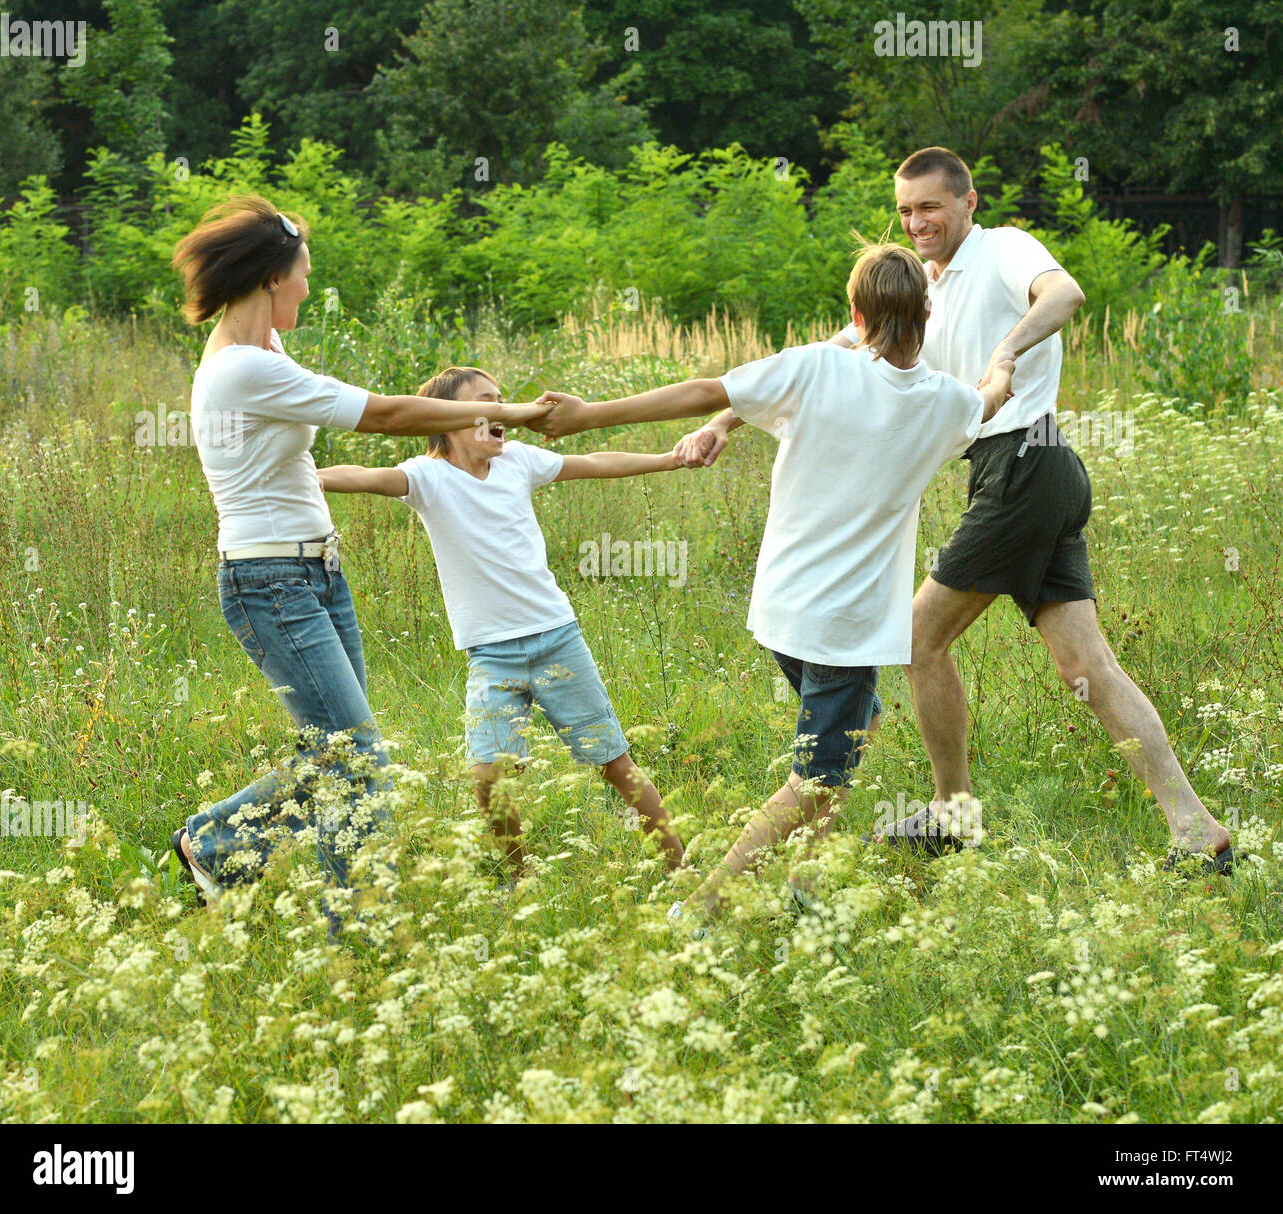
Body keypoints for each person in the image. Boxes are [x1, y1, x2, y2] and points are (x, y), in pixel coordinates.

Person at [680, 147, 1236, 876]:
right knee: (1086, 664)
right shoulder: (916, 288)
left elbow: (1064, 295)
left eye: (931, 207)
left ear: (968, 203)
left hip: (1025, 468)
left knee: (916, 637)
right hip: (1033, 476)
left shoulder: (1003, 250)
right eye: (906, 210)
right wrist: (726, 418)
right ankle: (1194, 827)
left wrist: (1003, 356)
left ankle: (953, 813)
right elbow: (831, 352)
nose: (917, 222)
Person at [528, 240, 1015, 923]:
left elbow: (704, 393)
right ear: (928, 313)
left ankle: (807, 891)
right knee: (816, 778)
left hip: (783, 611)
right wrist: (1000, 367)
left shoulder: (814, 368)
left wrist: (586, 415)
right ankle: (704, 906)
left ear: (854, 313)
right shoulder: (945, 402)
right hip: (842, 630)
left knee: (858, 728)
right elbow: (989, 401)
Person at [168, 196, 553, 907]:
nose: (310, 289)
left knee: (337, 755)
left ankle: (214, 844)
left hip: (314, 573)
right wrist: (500, 411)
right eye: (303, 275)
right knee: (358, 761)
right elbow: (384, 414)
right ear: (270, 280)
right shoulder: (239, 371)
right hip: (269, 580)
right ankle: (356, 926)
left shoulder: (262, 350)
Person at [317, 365, 687, 877]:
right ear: (447, 420)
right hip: (492, 654)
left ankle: (678, 864)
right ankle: (520, 875)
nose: (503, 412)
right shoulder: (427, 477)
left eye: (502, 401)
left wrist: (667, 460)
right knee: (488, 775)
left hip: (557, 638)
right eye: (487, 403)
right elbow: (368, 478)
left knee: (613, 763)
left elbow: (595, 461)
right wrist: (309, 477)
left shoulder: (519, 461)